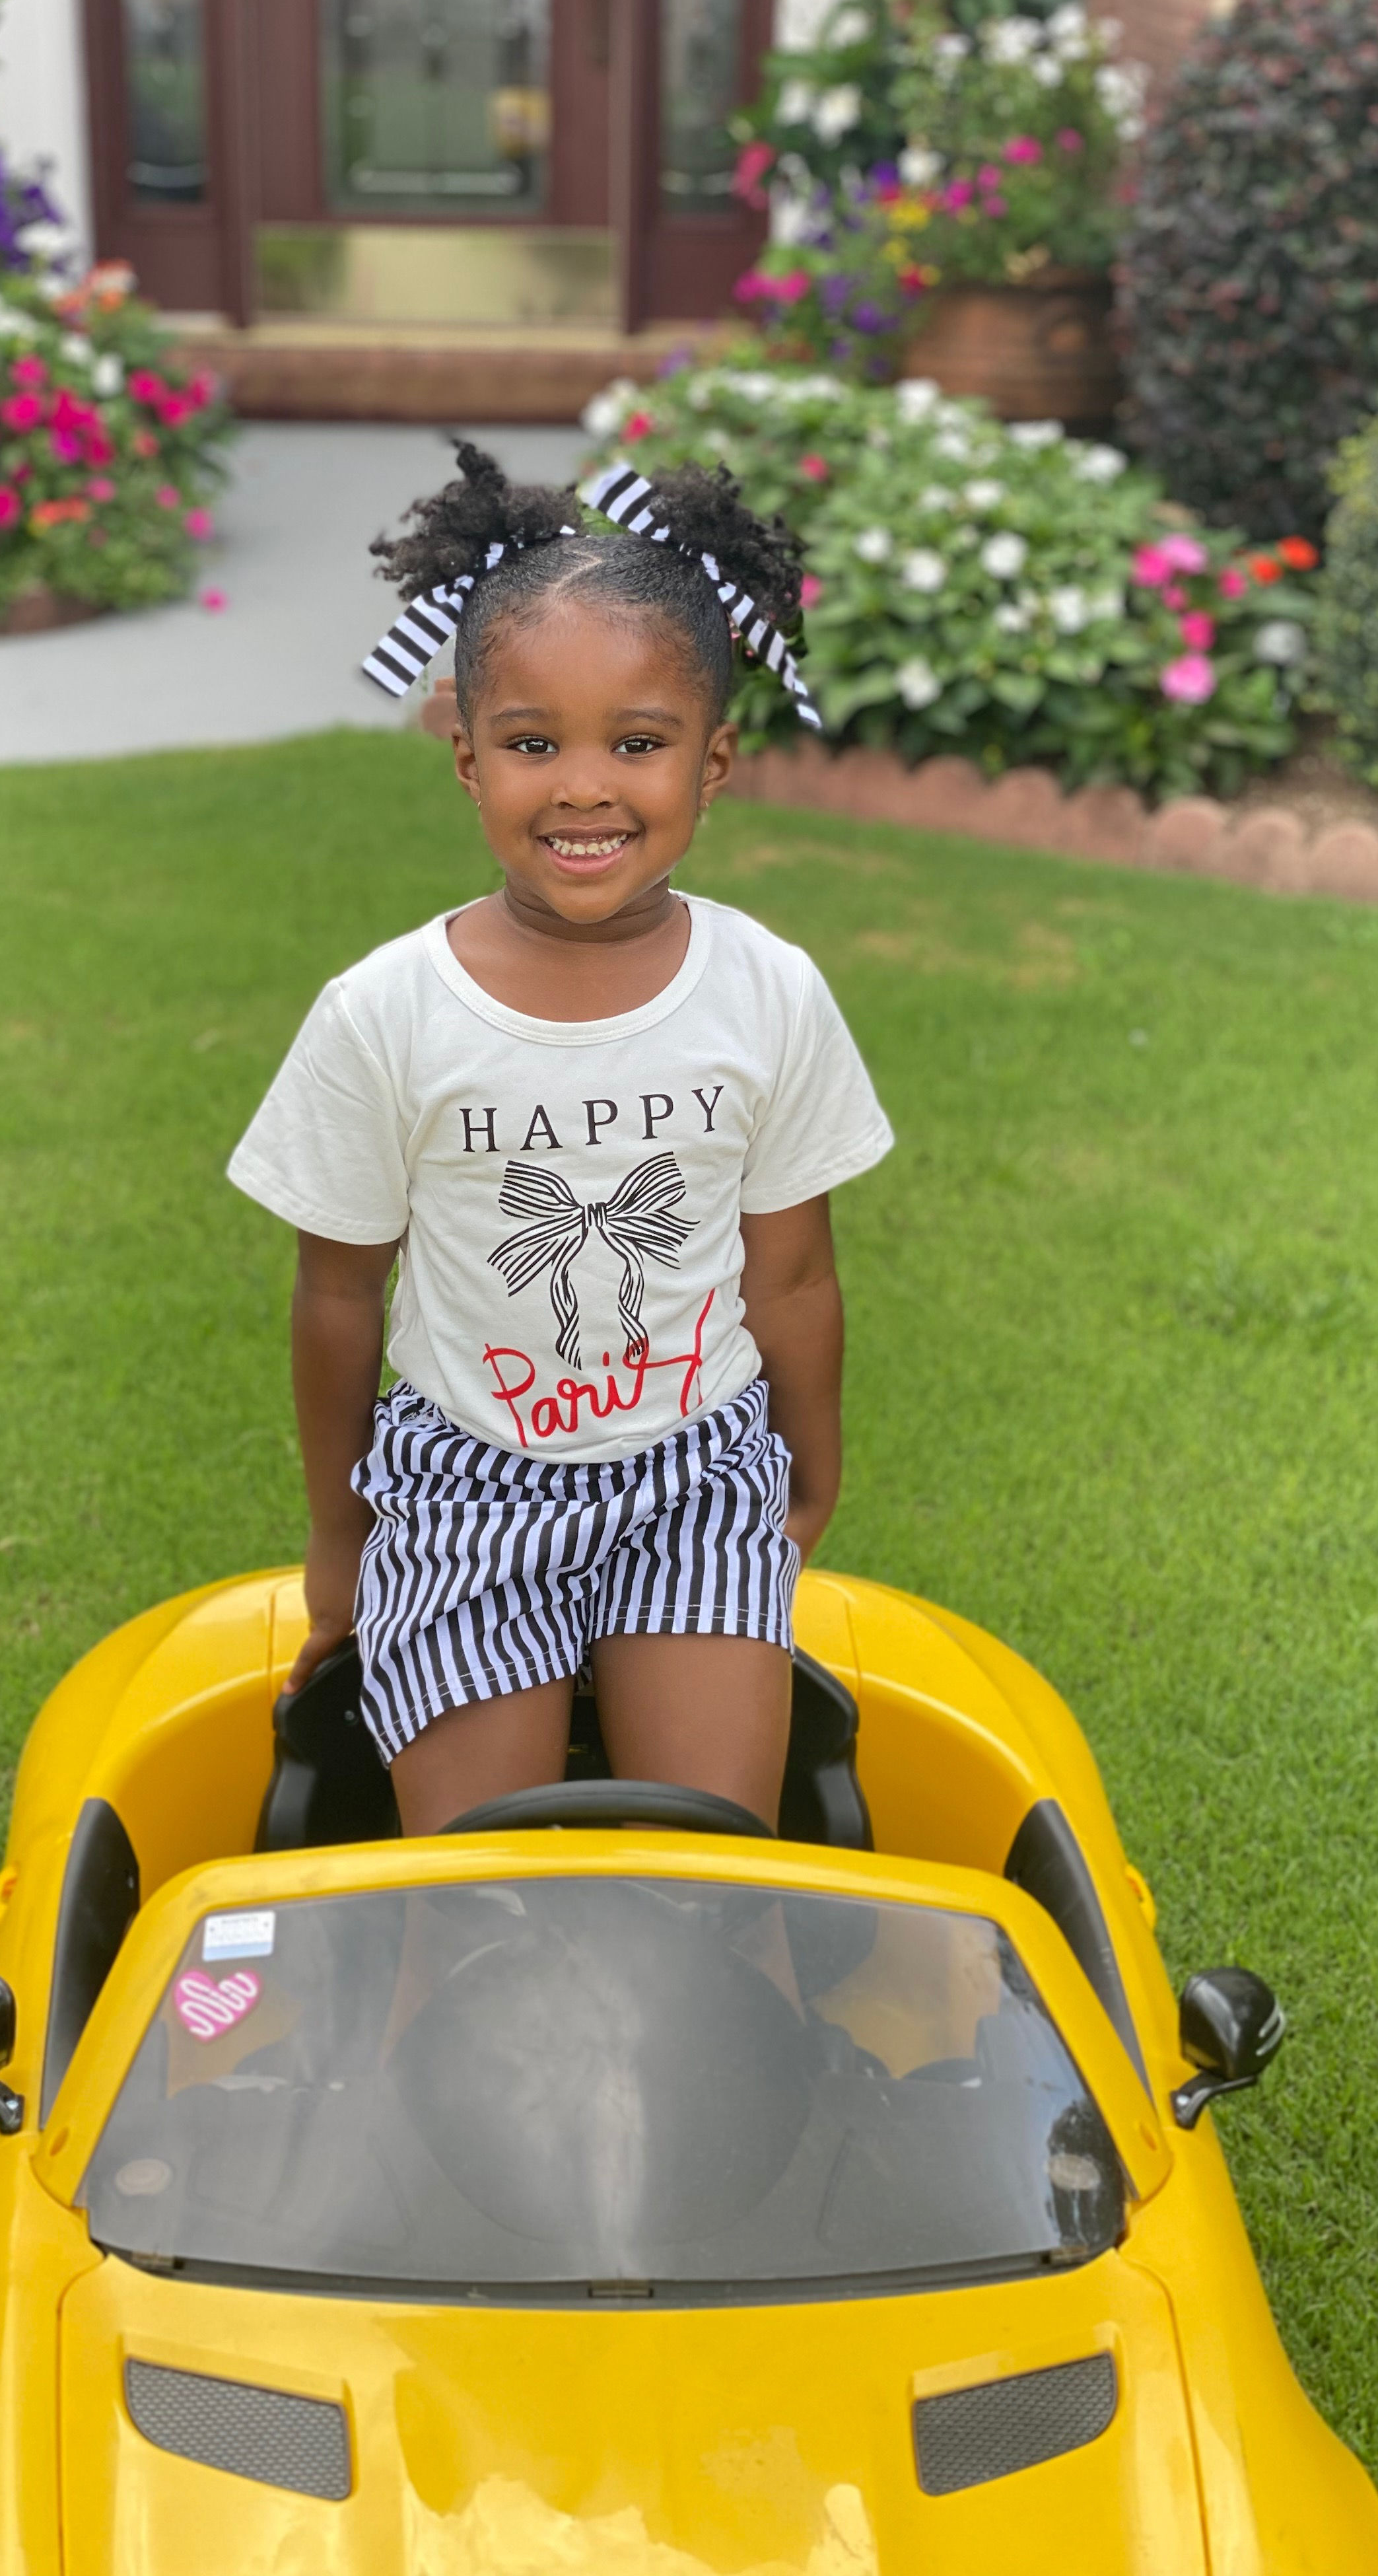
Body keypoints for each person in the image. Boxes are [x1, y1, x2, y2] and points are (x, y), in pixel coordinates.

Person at [227, 441, 892, 1837]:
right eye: (535, 745)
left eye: (637, 744)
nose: (584, 787)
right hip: (464, 1493)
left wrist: (809, 1466)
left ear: (713, 762)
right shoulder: (385, 1014)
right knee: (483, 1890)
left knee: (713, 1868)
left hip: (701, 1478)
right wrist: (342, 1540)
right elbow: (339, 1294)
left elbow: (793, 1275)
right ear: (468, 762)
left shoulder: (769, 991)